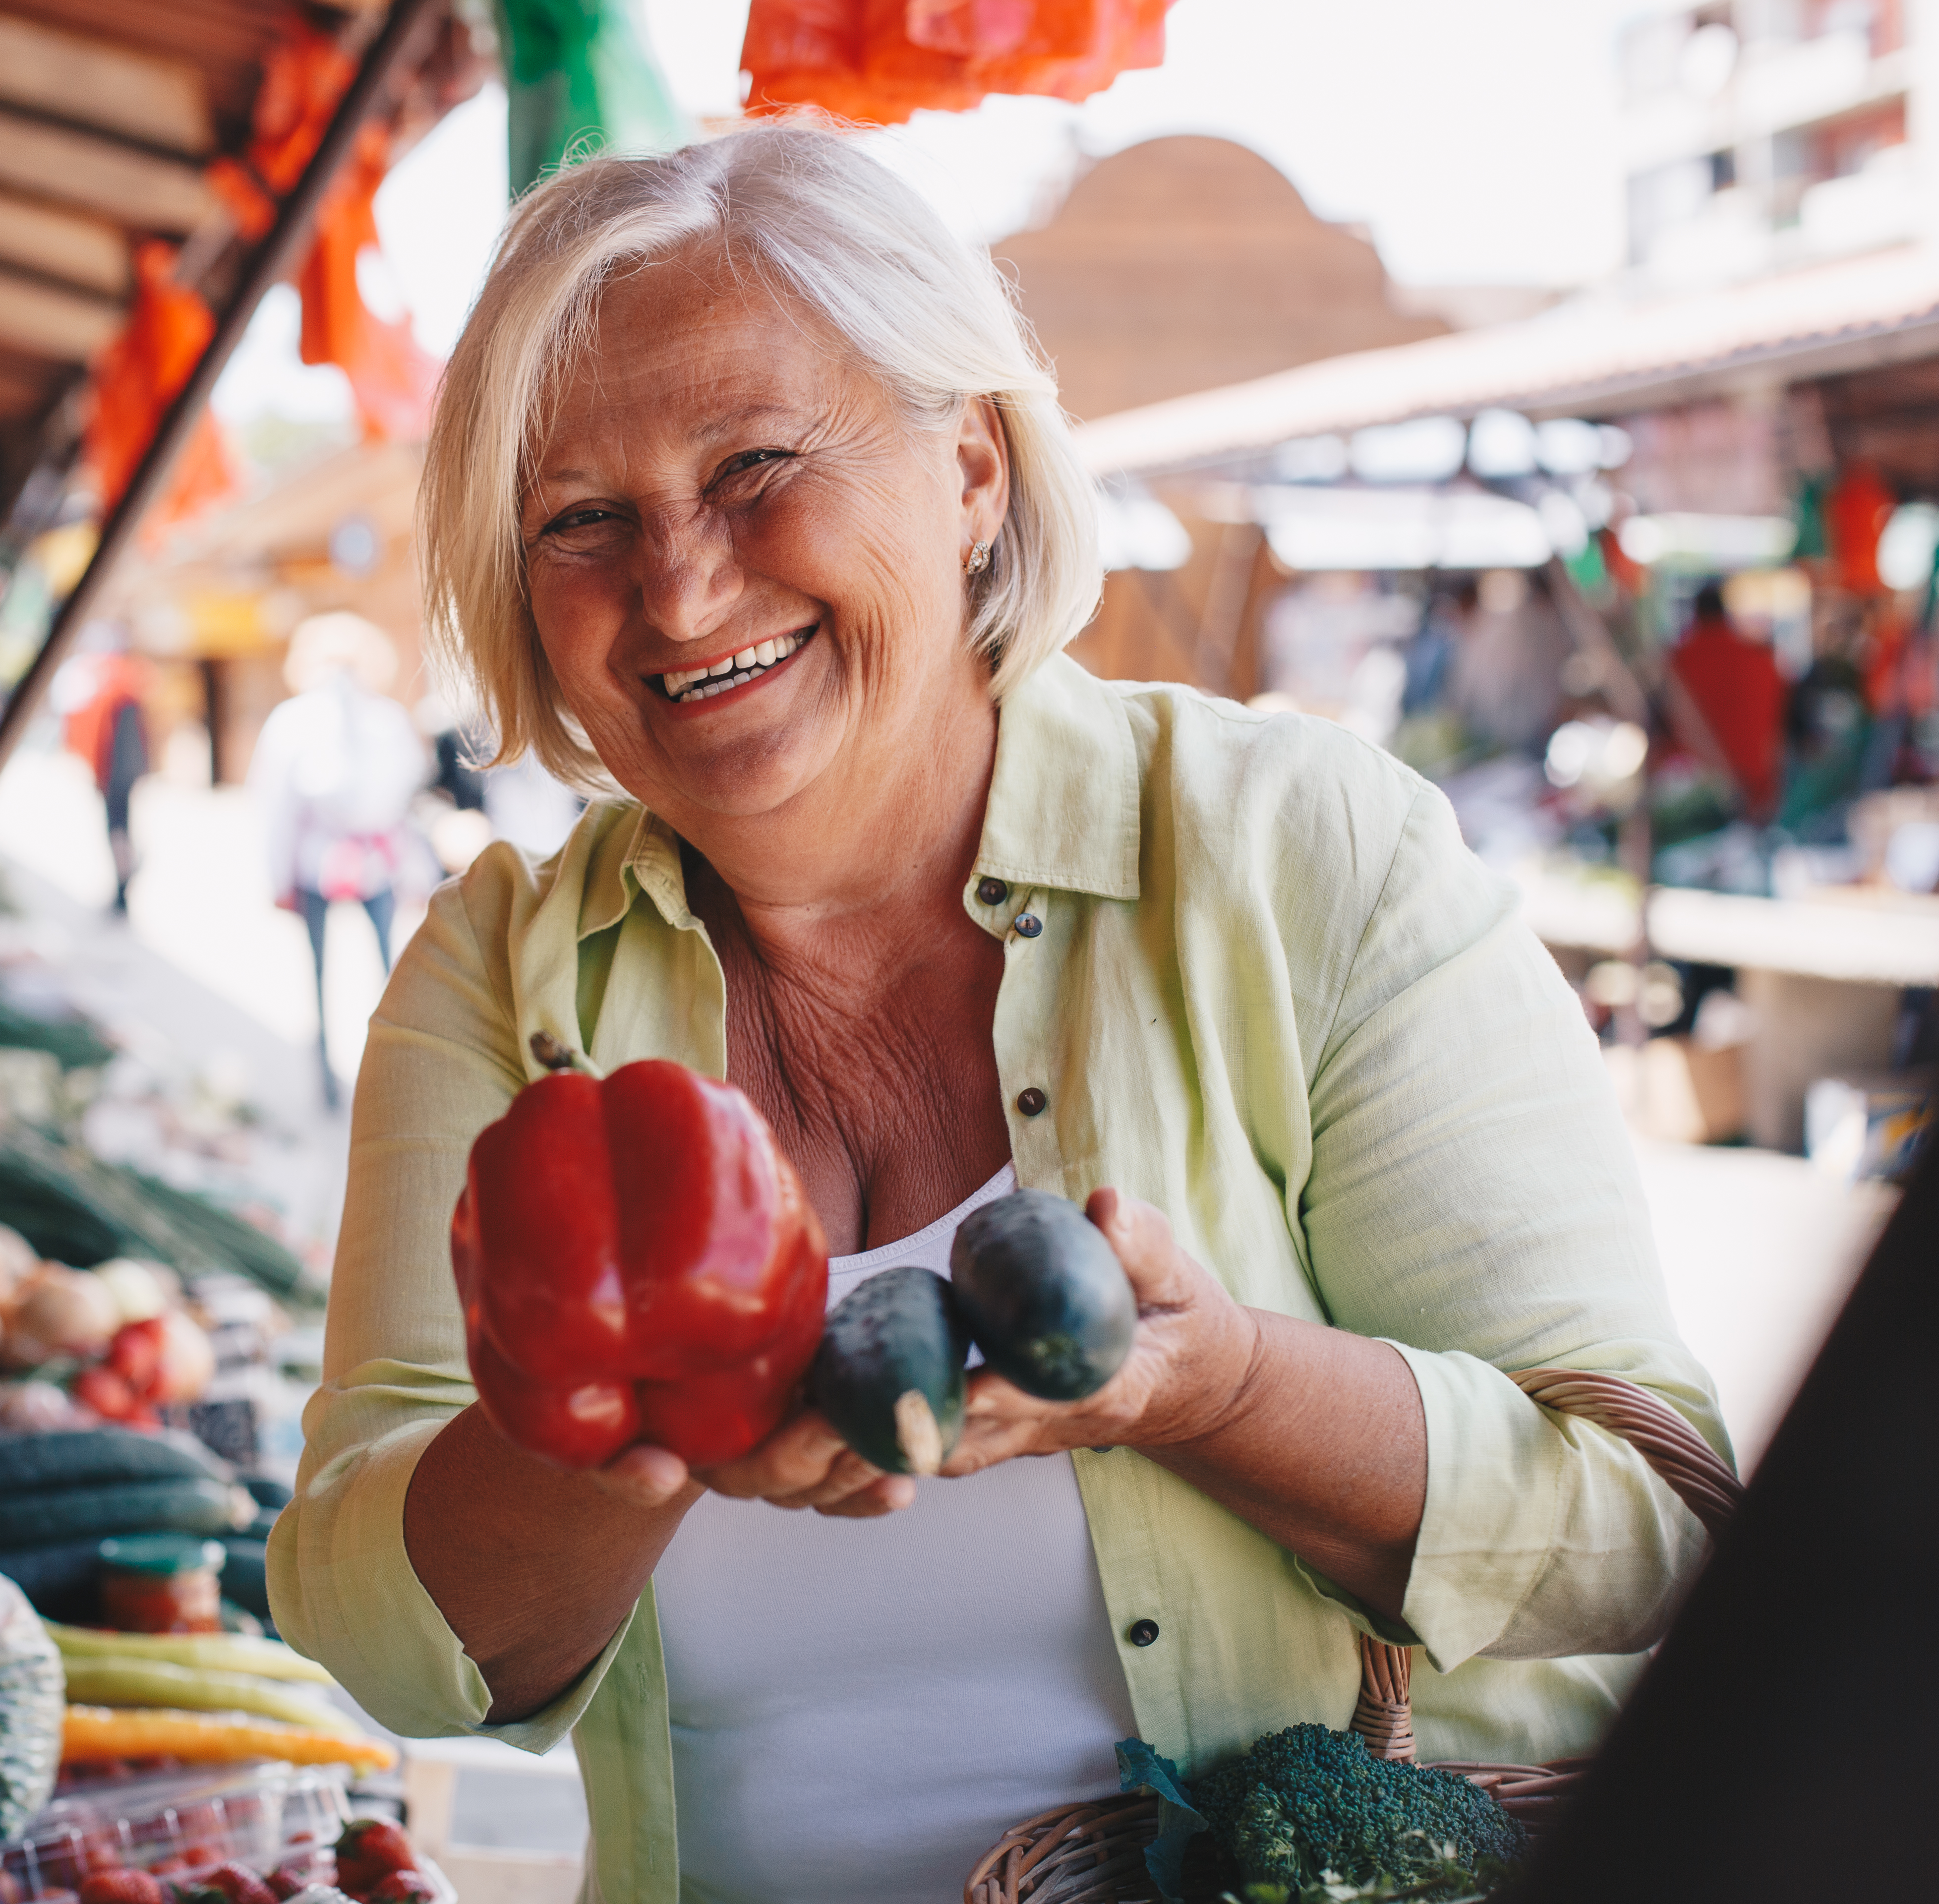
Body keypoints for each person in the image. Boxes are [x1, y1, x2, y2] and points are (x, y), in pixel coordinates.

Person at [267, 128, 1724, 1904]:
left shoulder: (1295, 853)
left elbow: (1647, 1517)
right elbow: (379, 1627)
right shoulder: (498, 976)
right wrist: (632, 1442)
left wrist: (1212, 1389)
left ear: (966, 468)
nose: (677, 588)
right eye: (581, 516)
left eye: (751, 468)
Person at [246, 613, 427, 1108]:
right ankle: (326, 1078)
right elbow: (275, 807)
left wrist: (414, 871)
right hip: (316, 862)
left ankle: (394, 1067)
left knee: (391, 971)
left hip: (378, 862)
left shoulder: (387, 718)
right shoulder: (293, 721)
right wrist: (277, 876)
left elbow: (408, 800)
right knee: (319, 974)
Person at [1669, 580, 1786, 817]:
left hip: (1700, 788)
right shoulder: (1760, 659)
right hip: (1755, 783)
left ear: (1695, 615)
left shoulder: (1678, 661)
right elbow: (1776, 727)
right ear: (1726, 614)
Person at [64, 651, 154, 913]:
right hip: (121, 779)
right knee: (121, 831)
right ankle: (123, 884)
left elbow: (111, 748)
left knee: (117, 832)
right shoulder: (126, 703)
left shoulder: (114, 703)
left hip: (115, 780)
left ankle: (123, 887)